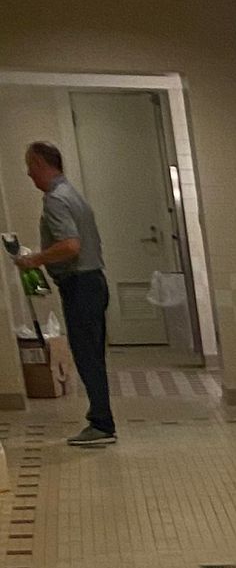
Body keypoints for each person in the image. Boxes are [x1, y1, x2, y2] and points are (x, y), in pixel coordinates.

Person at [14, 141, 114, 445]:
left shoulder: (56, 199)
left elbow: (70, 245)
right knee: (92, 355)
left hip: (80, 285)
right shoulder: (73, 194)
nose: (28, 174)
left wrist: (35, 259)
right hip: (93, 282)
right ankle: (102, 420)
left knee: (86, 357)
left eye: (30, 167)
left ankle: (101, 424)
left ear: (43, 165)